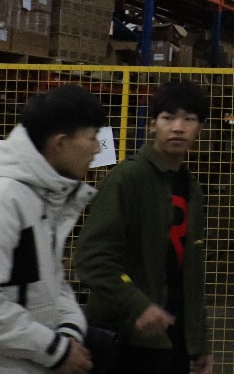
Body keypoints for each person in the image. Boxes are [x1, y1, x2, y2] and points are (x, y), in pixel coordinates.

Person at [0, 84, 106, 374]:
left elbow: (50, 284)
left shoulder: (40, 200)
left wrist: (69, 331)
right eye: (92, 137)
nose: (97, 149)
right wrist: (55, 350)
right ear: (60, 143)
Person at [76, 81, 213, 374]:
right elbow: (92, 257)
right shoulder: (128, 179)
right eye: (168, 118)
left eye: (189, 119)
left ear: (200, 128)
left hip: (174, 338)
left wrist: (198, 341)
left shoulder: (191, 188)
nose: (178, 128)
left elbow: (190, 272)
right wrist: (139, 305)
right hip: (129, 338)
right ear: (152, 124)